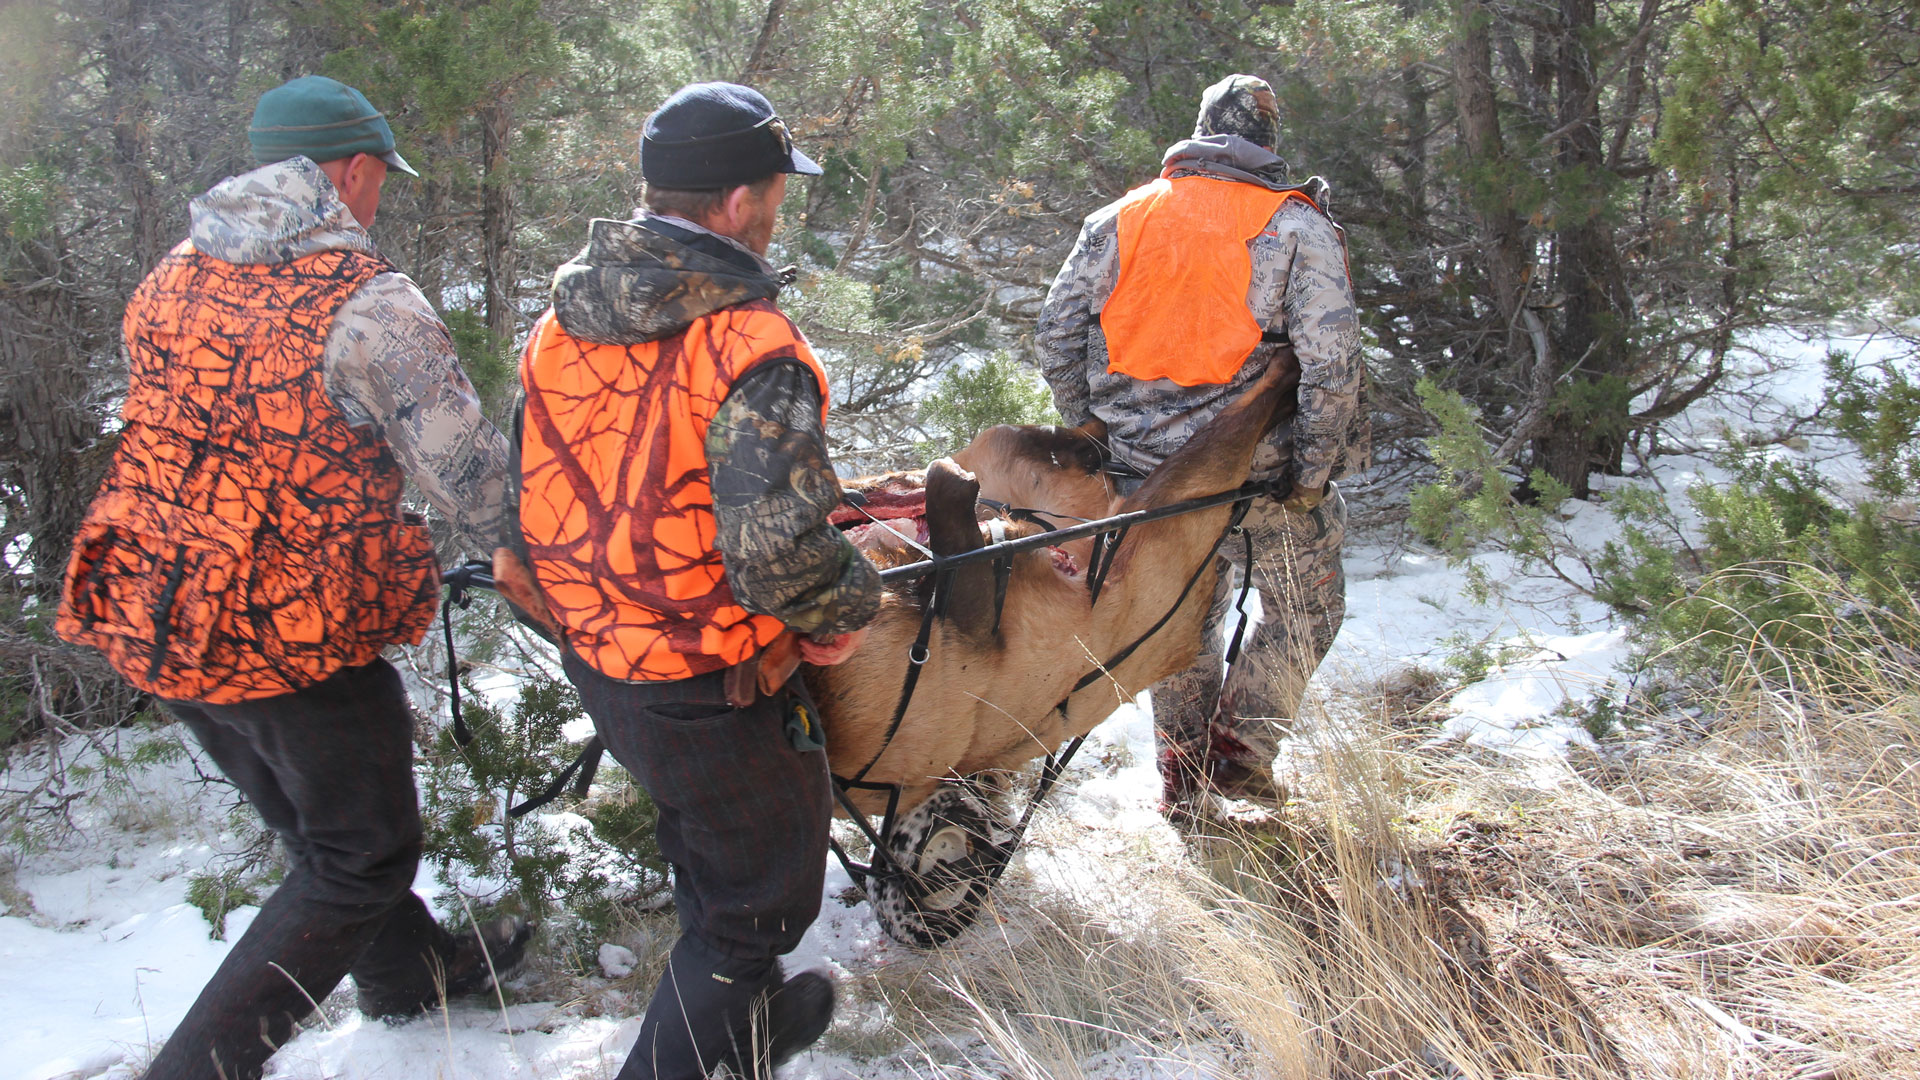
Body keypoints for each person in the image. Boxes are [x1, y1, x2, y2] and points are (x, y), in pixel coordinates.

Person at [55, 75, 531, 1080]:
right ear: (350, 172)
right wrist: (535, 550)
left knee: (319, 831)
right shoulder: (367, 305)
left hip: (151, 599)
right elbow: (469, 474)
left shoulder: (172, 273)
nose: (381, 195)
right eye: (382, 176)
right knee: (360, 858)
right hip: (288, 629)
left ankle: (414, 975)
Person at [505, 82, 880, 1079]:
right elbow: (779, 558)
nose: (780, 206)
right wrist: (852, 602)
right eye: (776, 188)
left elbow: (524, 486)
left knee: (711, 850)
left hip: (599, 656)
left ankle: (746, 1035)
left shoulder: (558, 323)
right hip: (707, 675)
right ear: (736, 201)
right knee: (757, 906)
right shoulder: (751, 345)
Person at [1034, 74, 1369, 820]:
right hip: (1263, 482)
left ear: (1201, 127)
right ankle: (1239, 755)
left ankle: (1184, 781)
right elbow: (1333, 364)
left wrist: (1096, 431)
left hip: (1147, 483)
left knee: (1180, 622)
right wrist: (1310, 475)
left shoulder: (1118, 219)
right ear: (1269, 141)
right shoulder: (1296, 225)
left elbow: (1054, 336)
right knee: (1309, 609)